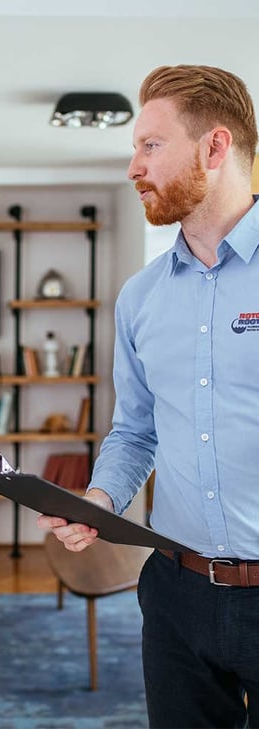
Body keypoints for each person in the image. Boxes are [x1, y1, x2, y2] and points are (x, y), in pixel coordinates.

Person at [38, 64, 259, 728]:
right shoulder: (140, 297)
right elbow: (135, 430)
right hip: (174, 591)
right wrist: (99, 502)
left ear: (215, 148)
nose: (134, 165)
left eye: (151, 146)